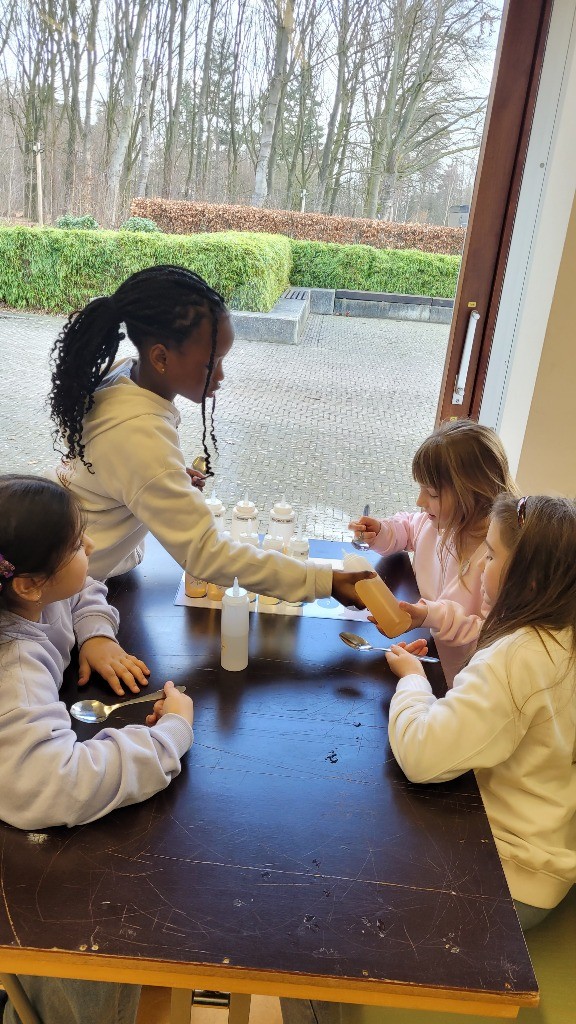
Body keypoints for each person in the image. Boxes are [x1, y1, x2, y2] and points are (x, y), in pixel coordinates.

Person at [282, 493, 576, 1024]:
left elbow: (420, 755)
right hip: (543, 856)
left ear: (529, 578)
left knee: (312, 914)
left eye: (491, 555)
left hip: (508, 876)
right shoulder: (561, 639)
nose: (480, 565)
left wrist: (413, 683)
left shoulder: (519, 655)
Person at [48, 264, 369, 605]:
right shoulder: (140, 436)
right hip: (61, 590)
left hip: (67, 555)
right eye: (210, 364)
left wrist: (162, 479)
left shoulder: (123, 375)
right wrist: (324, 580)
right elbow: (206, 553)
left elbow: (114, 466)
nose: (220, 375)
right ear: (161, 357)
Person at [0, 474, 194, 1024]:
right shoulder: (14, 672)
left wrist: (96, 633)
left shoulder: (29, 592)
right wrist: (170, 735)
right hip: (19, 853)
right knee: (88, 921)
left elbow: (82, 588)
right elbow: (51, 787)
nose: (88, 545)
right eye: (75, 543)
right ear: (28, 584)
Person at [349, 419, 518, 684]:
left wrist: (431, 617)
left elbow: (490, 635)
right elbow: (408, 527)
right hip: (438, 653)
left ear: (474, 494)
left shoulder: (499, 558)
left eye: (432, 494)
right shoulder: (439, 524)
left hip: (471, 680)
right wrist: (381, 531)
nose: (420, 501)